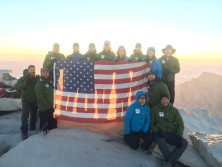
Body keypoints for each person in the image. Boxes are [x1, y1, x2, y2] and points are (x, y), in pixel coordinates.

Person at [150, 93, 188, 167]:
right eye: (163, 99)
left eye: (166, 99)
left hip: (171, 133)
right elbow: (151, 123)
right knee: (161, 141)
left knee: (184, 143)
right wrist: (156, 131)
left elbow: (180, 124)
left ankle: (168, 161)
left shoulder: (174, 110)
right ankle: (171, 162)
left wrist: (179, 135)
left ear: (169, 100)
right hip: (160, 132)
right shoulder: (155, 109)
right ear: (160, 100)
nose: (165, 101)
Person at [15, 65, 38, 140]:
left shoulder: (36, 78)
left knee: (33, 116)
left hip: (34, 100)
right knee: (25, 116)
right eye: (31, 69)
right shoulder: (23, 78)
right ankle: (24, 132)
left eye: (33, 69)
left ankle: (32, 129)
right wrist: (25, 83)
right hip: (26, 100)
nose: (32, 71)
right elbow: (17, 87)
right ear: (28, 70)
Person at [35, 67, 57, 135]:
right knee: (44, 127)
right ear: (41, 73)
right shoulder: (39, 84)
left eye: (47, 72)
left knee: (52, 126)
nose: (45, 74)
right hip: (44, 109)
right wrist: (48, 107)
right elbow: (40, 98)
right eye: (43, 72)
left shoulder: (50, 82)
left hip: (51, 108)